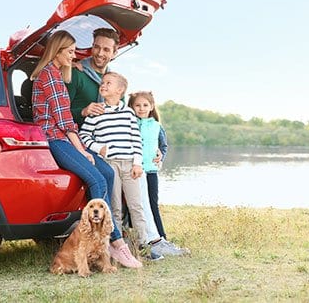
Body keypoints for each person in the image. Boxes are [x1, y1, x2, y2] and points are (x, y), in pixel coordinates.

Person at [30, 30, 142, 269]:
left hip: (65, 137)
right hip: (56, 139)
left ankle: (109, 239)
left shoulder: (58, 74)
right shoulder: (49, 75)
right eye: (70, 52)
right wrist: (82, 150)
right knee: (97, 180)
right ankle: (112, 241)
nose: (74, 56)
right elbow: (63, 120)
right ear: (57, 51)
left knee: (108, 174)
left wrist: (82, 148)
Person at [78, 72, 163, 261]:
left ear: (120, 90)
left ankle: (143, 246)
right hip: (110, 164)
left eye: (109, 83)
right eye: (102, 82)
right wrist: (99, 148)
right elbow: (84, 136)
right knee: (114, 207)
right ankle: (116, 248)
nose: (103, 85)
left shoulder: (128, 113)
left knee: (136, 206)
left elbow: (136, 139)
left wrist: (137, 163)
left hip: (129, 165)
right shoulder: (97, 112)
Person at [128, 91, 190, 256]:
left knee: (152, 203)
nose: (141, 109)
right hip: (135, 170)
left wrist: (161, 156)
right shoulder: (130, 123)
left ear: (152, 107)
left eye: (145, 105)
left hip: (151, 171)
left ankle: (160, 237)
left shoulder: (156, 126)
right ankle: (138, 237)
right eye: (137, 105)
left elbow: (163, 146)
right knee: (136, 205)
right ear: (131, 107)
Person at [66, 28, 120, 128]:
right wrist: (83, 112)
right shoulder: (76, 74)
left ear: (114, 54)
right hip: (77, 136)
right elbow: (59, 114)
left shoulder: (115, 82)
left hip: (106, 137)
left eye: (106, 50)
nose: (100, 53)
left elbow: (121, 114)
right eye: (96, 47)